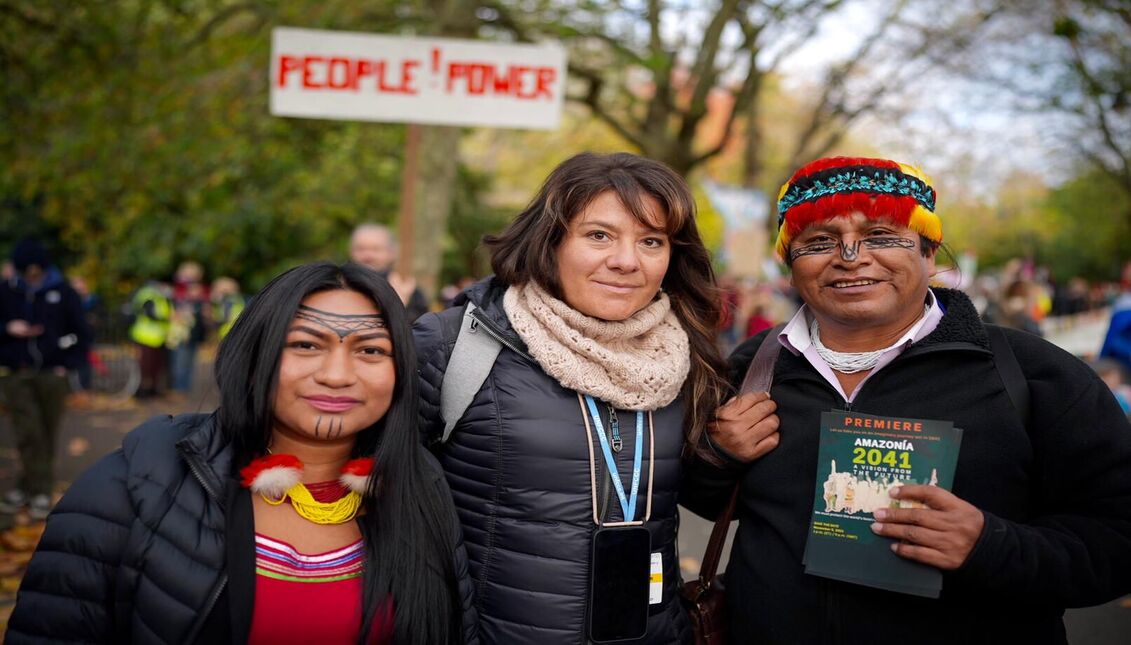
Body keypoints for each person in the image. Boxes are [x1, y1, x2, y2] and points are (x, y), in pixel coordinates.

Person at [683, 156, 1131, 644]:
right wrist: (719, 457)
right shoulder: (752, 368)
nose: (851, 256)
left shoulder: (1033, 375)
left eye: (880, 235)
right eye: (818, 241)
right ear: (790, 265)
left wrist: (989, 546)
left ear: (929, 252)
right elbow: (703, 497)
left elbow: (1117, 538)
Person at [8, 262, 478, 644]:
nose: (337, 375)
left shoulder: (424, 490)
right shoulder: (135, 484)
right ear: (254, 361)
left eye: (371, 351)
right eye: (305, 345)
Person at [414, 152, 736, 643]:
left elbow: (691, 495)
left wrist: (726, 454)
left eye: (651, 241)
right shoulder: (453, 344)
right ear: (551, 241)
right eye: (599, 235)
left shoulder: (685, 359)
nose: (626, 261)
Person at [0, 239, 91, 519]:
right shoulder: (5, 292)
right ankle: (38, 490)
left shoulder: (63, 292)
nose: (32, 277)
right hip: (17, 373)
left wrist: (68, 364)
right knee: (29, 432)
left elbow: (83, 332)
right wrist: (8, 329)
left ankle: (29, 487)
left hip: (53, 373)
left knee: (47, 433)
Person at [350, 223, 430, 321]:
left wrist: (400, 304)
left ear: (392, 253)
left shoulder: (407, 289)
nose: (368, 255)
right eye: (361, 249)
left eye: (376, 249)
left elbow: (418, 330)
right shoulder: (340, 284)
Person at [167, 260, 210, 395]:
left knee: (186, 360)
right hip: (179, 332)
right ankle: (179, 387)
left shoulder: (201, 291)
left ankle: (182, 388)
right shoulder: (177, 291)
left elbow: (206, 311)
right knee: (179, 360)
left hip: (192, 331)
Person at [129, 278, 172, 398]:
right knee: (146, 366)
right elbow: (151, 314)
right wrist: (168, 318)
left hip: (157, 338)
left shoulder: (157, 296)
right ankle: (142, 391)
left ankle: (152, 389)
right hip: (146, 337)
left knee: (155, 366)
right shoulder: (150, 294)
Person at [211, 275, 246, 341]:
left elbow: (222, 317)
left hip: (232, 334)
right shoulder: (236, 300)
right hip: (226, 334)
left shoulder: (229, 301)